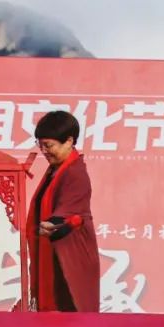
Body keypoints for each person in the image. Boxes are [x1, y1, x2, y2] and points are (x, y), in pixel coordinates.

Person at [26, 110, 101, 312]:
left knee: (70, 313)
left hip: (70, 255)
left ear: (69, 141)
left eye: (48, 145)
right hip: (54, 250)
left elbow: (70, 209)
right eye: (40, 145)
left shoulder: (75, 172)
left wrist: (53, 224)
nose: (44, 151)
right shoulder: (56, 169)